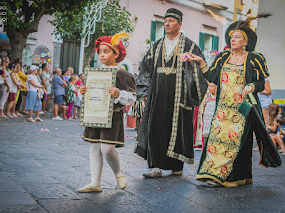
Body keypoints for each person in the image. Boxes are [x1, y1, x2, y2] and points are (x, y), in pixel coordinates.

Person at [180, 14, 281, 187]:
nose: (233, 40)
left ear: (245, 41)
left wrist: (251, 86)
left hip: (243, 108)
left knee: (236, 143)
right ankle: (212, 173)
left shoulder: (254, 58)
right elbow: (212, 76)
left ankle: (233, 177)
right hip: (223, 108)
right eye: (232, 37)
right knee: (216, 141)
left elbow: (260, 82)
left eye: (238, 37)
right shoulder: (223, 57)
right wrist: (201, 61)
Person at [134, 8, 208, 178]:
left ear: (179, 24)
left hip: (179, 96)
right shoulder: (157, 45)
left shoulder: (190, 46)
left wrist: (191, 63)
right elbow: (144, 70)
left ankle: (176, 166)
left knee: (177, 128)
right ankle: (155, 166)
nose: (167, 23)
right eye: (165, 20)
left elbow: (199, 68)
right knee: (155, 127)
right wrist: (144, 93)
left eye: (171, 21)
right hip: (157, 93)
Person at [77, 32, 136, 193]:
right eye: (100, 51)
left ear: (116, 53)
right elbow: (86, 95)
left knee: (107, 148)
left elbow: (131, 98)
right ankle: (95, 183)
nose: (102, 55)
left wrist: (119, 94)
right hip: (94, 113)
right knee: (95, 147)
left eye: (106, 51)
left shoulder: (122, 74)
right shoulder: (94, 73)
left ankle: (118, 173)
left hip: (112, 116)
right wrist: (82, 91)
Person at [194, 83, 217, 150]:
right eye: (209, 86)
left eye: (211, 86)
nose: (209, 88)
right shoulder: (207, 96)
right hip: (207, 120)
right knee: (205, 135)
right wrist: (203, 105)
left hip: (214, 120)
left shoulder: (218, 97)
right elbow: (201, 108)